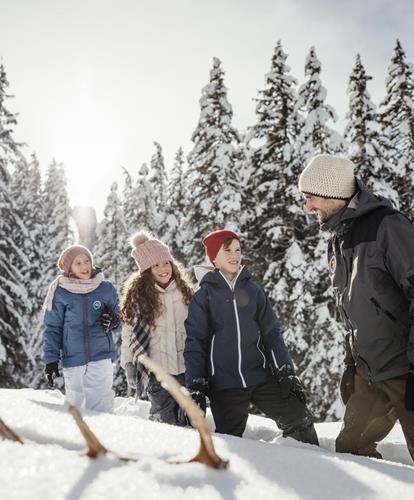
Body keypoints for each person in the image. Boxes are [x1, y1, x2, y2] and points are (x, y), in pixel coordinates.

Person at [299, 153, 414, 461]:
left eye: (311, 198)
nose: (308, 207)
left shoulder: (388, 227)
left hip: (405, 367)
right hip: (369, 370)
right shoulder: (337, 240)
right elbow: (351, 309)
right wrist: (352, 364)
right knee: (351, 448)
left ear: (333, 192)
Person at [184, 229, 319, 444]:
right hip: (225, 384)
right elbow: (195, 343)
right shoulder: (204, 296)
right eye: (227, 250)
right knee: (231, 441)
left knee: (299, 418)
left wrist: (285, 371)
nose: (234, 255)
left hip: (260, 376)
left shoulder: (254, 291)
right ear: (213, 258)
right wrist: (196, 385)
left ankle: (313, 470)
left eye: (237, 249)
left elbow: (272, 334)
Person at [120, 231, 194, 425]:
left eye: (166, 262)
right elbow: (129, 333)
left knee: (187, 420)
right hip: (158, 372)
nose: (163, 268)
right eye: (156, 265)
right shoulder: (139, 296)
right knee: (165, 421)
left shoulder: (184, 292)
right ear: (146, 270)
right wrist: (128, 363)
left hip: (186, 369)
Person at [42, 244, 121, 412]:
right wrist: (51, 360)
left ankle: (105, 436)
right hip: (73, 358)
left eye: (87, 261)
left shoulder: (105, 288)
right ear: (69, 268)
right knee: (75, 405)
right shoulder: (61, 292)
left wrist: (114, 322)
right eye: (78, 263)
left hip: (101, 355)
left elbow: (121, 320)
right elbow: (53, 328)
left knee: (102, 405)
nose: (84, 266)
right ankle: (78, 437)